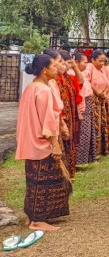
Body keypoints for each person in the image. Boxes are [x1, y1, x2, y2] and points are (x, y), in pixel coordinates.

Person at [16, 54, 70, 232]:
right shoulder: (44, 90)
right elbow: (48, 122)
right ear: (44, 70)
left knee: (33, 181)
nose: (57, 69)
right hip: (41, 144)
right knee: (43, 182)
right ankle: (37, 220)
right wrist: (54, 145)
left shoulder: (31, 88)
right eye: (54, 66)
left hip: (30, 141)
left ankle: (32, 217)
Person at [56, 50, 83, 180]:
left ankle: (69, 173)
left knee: (71, 144)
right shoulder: (55, 79)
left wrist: (75, 67)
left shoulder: (69, 77)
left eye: (65, 63)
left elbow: (81, 81)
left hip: (71, 116)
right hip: (62, 116)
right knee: (63, 144)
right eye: (62, 63)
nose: (65, 66)